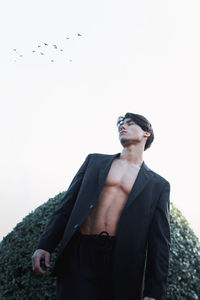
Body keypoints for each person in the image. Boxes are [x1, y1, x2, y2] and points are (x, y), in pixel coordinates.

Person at [32, 112, 171, 300]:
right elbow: (66, 206)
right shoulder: (94, 162)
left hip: (121, 261)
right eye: (121, 124)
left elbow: (159, 241)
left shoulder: (158, 185)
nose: (123, 126)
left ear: (146, 132)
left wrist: (153, 293)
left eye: (130, 124)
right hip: (79, 252)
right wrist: (45, 245)